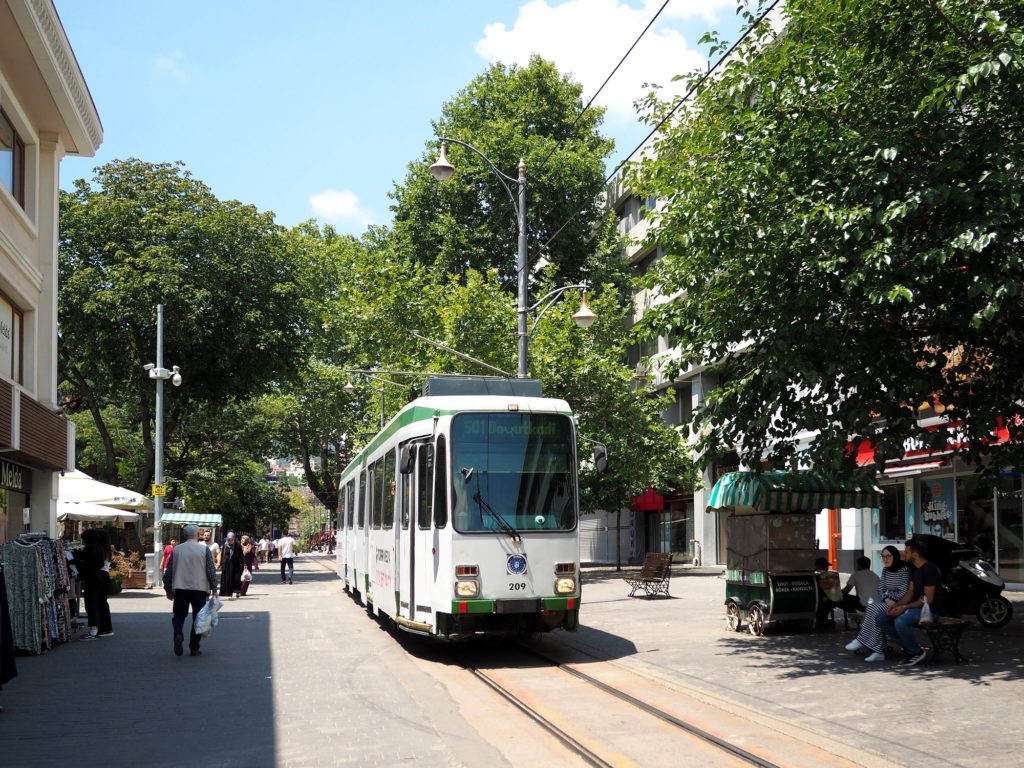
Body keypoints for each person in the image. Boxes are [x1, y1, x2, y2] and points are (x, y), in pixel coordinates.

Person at [877, 537, 943, 666]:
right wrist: (896, 606)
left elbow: (928, 600)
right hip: (914, 608)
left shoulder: (929, 569)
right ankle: (909, 648)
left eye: (907, 551)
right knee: (881, 618)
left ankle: (915, 652)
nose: (904, 554)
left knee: (900, 621)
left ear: (915, 554)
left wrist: (905, 608)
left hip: (929, 611)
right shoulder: (914, 569)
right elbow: (909, 593)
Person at [844, 546, 910, 663]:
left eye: (888, 556)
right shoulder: (885, 570)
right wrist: (887, 597)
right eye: (883, 556)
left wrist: (889, 596)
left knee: (873, 607)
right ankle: (877, 651)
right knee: (873, 610)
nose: (885, 559)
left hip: (901, 605)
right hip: (886, 603)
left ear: (895, 556)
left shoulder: (903, 570)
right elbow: (880, 590)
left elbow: (902, 592)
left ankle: (863, 641)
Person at [163, 524, 217, 657]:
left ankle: (178, 633)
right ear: (197, 534)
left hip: (181, 588)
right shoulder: (204, 550)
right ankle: (194, 647)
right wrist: (214, 587)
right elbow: (211, 571)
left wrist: (168, 588)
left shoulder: (177, 550)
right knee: (198, 618)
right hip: (200, 588)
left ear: (185, 535)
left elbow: (168, 572)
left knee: (179, 615)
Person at [77, 528, 114, 639]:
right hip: (104, 576)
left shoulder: (95, 548)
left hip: (95, 577)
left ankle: (95, 629)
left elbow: (89, 564)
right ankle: (105, 628)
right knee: (102, 603)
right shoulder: (106, 549)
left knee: (92, 603)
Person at [219, 531, 244, 599]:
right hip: (226, 564)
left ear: (234, 539)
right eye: (229, 540)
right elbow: (222, 555)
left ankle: (236, 591)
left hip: (236, 565)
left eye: (232, 539)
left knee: (236, 578)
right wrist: (220, 563)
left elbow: (241, 555)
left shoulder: (237, 545)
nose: (230, 541)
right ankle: (227, 592)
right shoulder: (225, 545)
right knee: (227, 578)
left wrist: (243, 563)